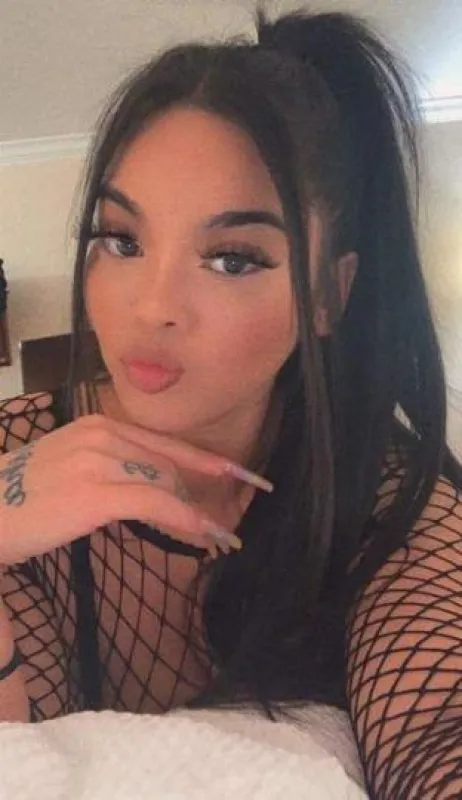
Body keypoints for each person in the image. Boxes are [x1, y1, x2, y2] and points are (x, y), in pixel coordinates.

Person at [0, 6, 461, 797]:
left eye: (232, 258)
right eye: (121, 240)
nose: (152, 307)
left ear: (328, 295)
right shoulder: (13, 458)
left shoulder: (387, 501)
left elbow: (437, 739)